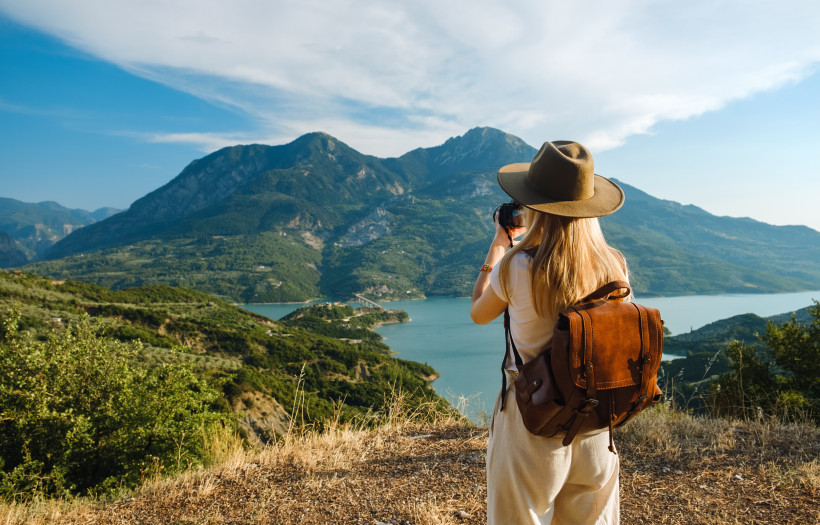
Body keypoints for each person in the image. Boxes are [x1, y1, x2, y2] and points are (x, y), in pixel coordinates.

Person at [470, 140, 628, 525]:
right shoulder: (615, 267)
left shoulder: (517, 265)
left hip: (532, 424)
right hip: (594, 424)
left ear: (533, 206)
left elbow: (479, 312)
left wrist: (497, 247)